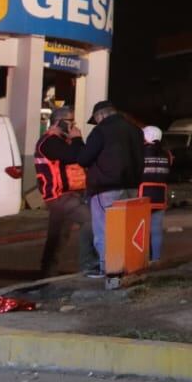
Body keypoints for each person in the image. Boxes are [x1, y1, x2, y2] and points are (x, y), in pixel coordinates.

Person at [75, 100, 145, 278]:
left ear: (101, 116)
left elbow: (84, 159)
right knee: (126, 230)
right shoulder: (135, 130)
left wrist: (77, 140)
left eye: (96, 119)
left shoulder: (100, 131)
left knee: (104, 230)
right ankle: (128, 266)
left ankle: (109, 269)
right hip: (131, 187)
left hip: (105, 188)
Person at [34, 106, 96, 277]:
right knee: (90, 221)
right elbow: (72, 156)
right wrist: (77, 139)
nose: (73, 125)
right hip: (60, 195)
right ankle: (89, 264)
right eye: (70, 121)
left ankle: (47, 273)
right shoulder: (49, 141)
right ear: (59, 122)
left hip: (67, 195)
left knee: (58, 236)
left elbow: (82, 156)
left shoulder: (62, 141)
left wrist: (76, 140)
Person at [139, 126, 172, 263]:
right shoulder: (166, 154)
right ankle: (156, 259)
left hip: (142, 196)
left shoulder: (140, 152)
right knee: (156, 229)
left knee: (142, 229)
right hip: (160, 196)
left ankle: (142, 259)